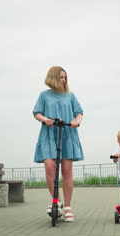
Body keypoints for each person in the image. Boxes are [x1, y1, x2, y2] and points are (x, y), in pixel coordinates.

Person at [33, 66, 84, 222]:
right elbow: (37, 113)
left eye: (65, 77)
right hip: (49, 134)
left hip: (67, 133)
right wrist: (45, 119)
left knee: (67, 172)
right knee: (49, 167)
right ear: (53, 78)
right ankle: (56, 201)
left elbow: (79, 112)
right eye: (61, 77)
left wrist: (76, 121)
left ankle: (67, 207)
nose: (64, 80)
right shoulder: (44, 95)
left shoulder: (70, 95)